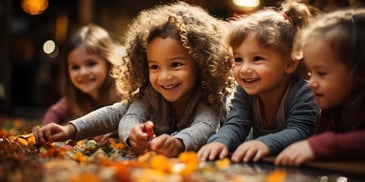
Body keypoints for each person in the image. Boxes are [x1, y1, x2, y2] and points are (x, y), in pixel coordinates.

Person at [35, 1, 234, 158]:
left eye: (176, 64)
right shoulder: (151, 94)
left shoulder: (210, 97)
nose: (164, 76)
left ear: (201, 63)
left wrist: (179, 142)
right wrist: (70, 129)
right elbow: (122, 114)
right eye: (154, 66)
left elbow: (205, 126)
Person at [198, 0, 319, 163]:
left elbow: (300, 130)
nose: (244, 69)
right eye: (238, 59)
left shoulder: (303, 92)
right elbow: (236, 123)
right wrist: (219, 142)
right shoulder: (244, 91)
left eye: (257, 59)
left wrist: (264, 143)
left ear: (290, 64)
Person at [275, 8, 365, 166]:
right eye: (310, 73)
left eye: (322, 73)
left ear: (360, 72)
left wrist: (323, 145)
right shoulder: (332, 107)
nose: (311, 83)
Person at [38, 24, 123, 141]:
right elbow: (55, 112)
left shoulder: (120, 93)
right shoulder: (75, 96)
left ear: (108, 64)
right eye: (75, 67)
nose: (82, 72)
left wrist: (114, 133)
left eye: (91, 64)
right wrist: (46, 131)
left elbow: (134, 119)